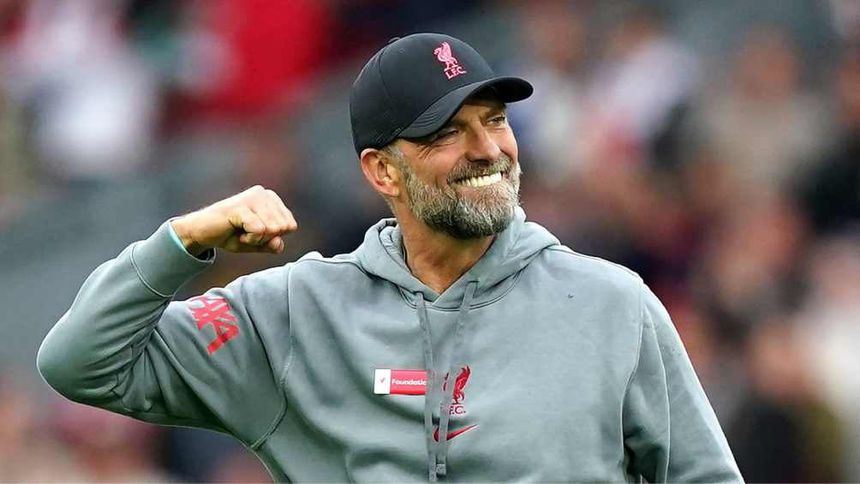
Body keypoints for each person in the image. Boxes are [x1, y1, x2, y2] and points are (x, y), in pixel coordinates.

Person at [37, 33, 742, 482]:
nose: (488, 150)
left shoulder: (613, 305)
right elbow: (81, 361)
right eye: (447, 132)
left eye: (495, 121)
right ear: (381, 171)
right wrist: (185, 240)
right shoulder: (292, 315)